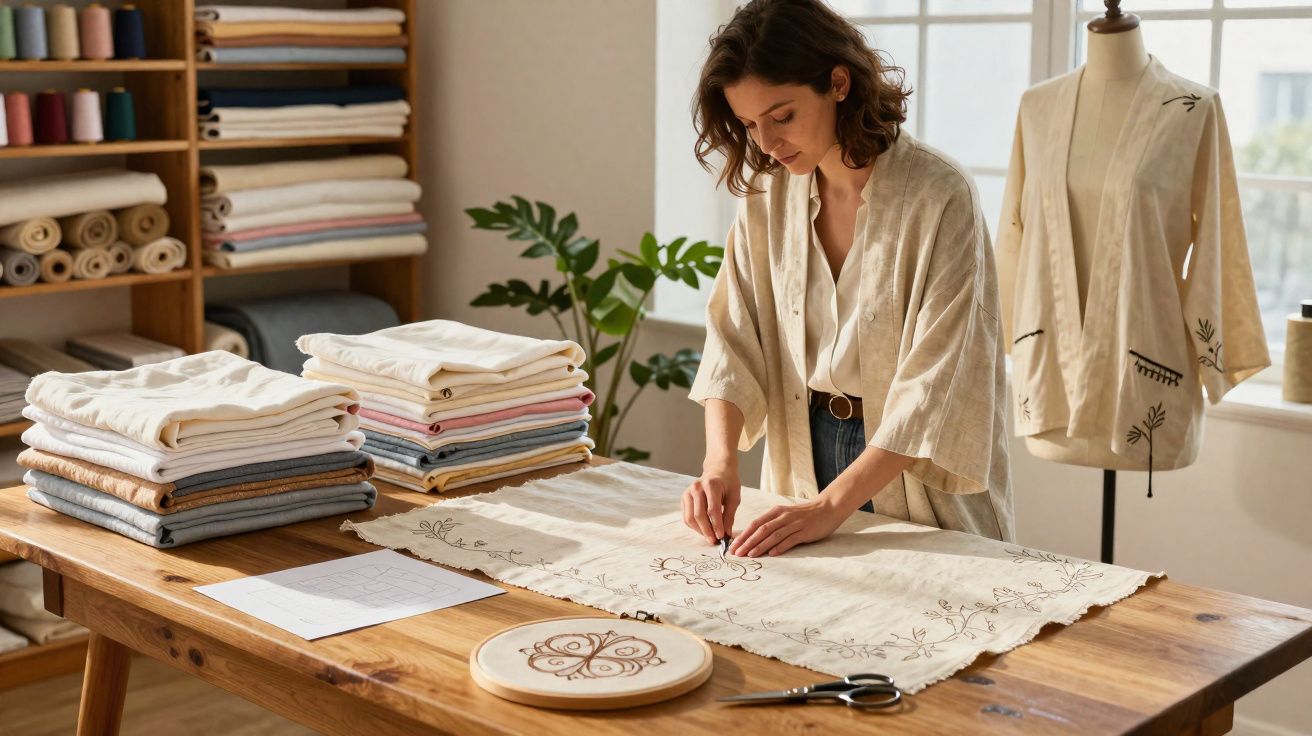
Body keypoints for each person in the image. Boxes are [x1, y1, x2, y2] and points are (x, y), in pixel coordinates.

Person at [683, 0, 1013, 558]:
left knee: (931, 606)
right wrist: (719, 461)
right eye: (749, 124)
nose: (766, 144)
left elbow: (937, 382)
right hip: (802, 444)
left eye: (782, 116)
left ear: (838, 83)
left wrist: (830, 507)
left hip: (905, 465)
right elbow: (733, 336)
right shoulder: (768, 195)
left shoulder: (939, 195)